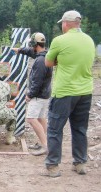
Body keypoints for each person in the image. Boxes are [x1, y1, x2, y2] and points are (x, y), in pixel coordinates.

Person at [42, 10, 95, 177]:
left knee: (55, 130)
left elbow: (48, 62)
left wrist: (60, 59)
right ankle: (80, 163)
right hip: (85, 91)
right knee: (80, 129)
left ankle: (53, 166)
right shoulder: (89, 40)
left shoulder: (60, 41)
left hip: (64, 92)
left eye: (62, 24)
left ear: (66, 23)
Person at [12, 33, 53, 156]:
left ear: (35, 44)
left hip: (38, 95)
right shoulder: (45, 55)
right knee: (41, 118)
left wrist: (30, 95)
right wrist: (19, 50)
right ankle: (45, 143)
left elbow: (37, 81)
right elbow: (31, 52)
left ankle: (45, 146)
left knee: (31, 119)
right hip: (44, 94)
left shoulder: (40, 61)